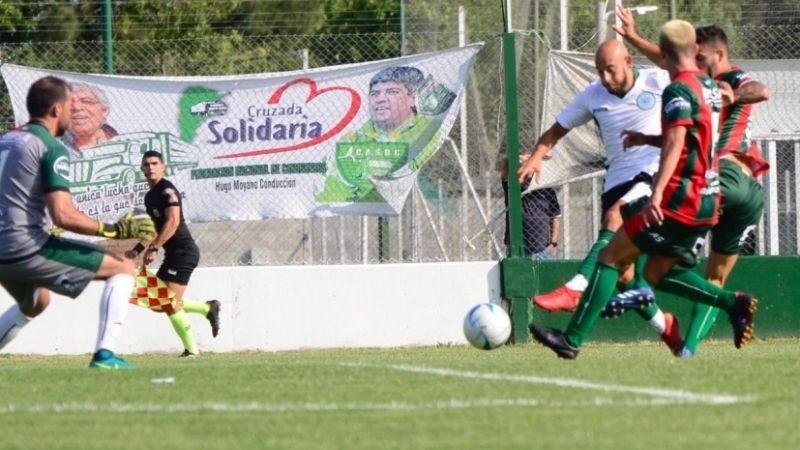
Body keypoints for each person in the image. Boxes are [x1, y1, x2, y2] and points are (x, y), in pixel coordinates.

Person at [528, 20, 758, 360]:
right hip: (708, 196)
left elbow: (677, 142)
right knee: (652, 273)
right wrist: (647, 139)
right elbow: (689, 136)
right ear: (695, 51)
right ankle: (729, 303)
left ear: (662, 55)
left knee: (610, 254)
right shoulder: (709, 86)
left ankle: (573, 324)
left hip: (680, 196)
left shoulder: (677, 89)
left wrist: (656, 193)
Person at [609, 8, 770, 357]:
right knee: (712, 280)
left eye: (702, 57)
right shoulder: (702, 86)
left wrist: (732, 94)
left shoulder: (731, 78)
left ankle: (629, 286)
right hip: (747, 192)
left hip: (719, 180)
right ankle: (688, 350)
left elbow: (761, 90)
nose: (696, 62)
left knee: (644, 239)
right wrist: (634, 38)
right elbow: (672, 63)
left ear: (720, 55)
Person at [517, 39, 682, 351]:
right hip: (616, 179)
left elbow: (684, 69)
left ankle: (576, 286)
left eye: (611, 70)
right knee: (624, 276)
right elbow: (555, 131)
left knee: (615, 214)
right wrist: (537, 155)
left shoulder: (656, 80)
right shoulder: (592, 96)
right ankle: (667, 327)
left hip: (653, 176)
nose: (606, 78)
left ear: (629, 62)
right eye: (600, 71)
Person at [0, 76, 156, 369]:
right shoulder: (50, 147)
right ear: (57, 110)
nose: (74, 115)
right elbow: (63, 215)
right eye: (71, 107)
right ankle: (105, 355)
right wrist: (113, 229)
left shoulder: (6, 140)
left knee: (36, 301)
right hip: (23, 245)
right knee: (122, 267)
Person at [125, 150, 221, 357]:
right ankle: (207, 309)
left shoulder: (167, 191)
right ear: (141, 169)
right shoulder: (150, 196)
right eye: (146, 164)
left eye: (154, 163)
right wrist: (136, 251)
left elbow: (173, 222)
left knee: (167, 302)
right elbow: (154, 230)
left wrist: (154, 247)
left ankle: (192, 350)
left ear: (163, 167)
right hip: (174, 254)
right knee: (158, 302)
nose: (150, 167)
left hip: (183, 252)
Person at [316, 66, 441, 203]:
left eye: (392, 92)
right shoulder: (351, 138)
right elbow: (328, 189)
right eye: (374, 93)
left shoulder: (430, 128)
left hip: (420, 203)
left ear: (412, 98)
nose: (380, 99)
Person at [502, 155, 561, 260]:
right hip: (516, 249)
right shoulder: (512, 186)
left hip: (542, 249)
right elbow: (506, 163)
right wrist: (528, 157)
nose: (527, 170)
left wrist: (553, 243)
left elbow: (556, 217)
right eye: (524, 166)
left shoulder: (546, 189)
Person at [61, 82, 118, 151]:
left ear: (104, 111)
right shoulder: (50, 146)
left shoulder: (121, 144)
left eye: (86, 101)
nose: (76, 107)